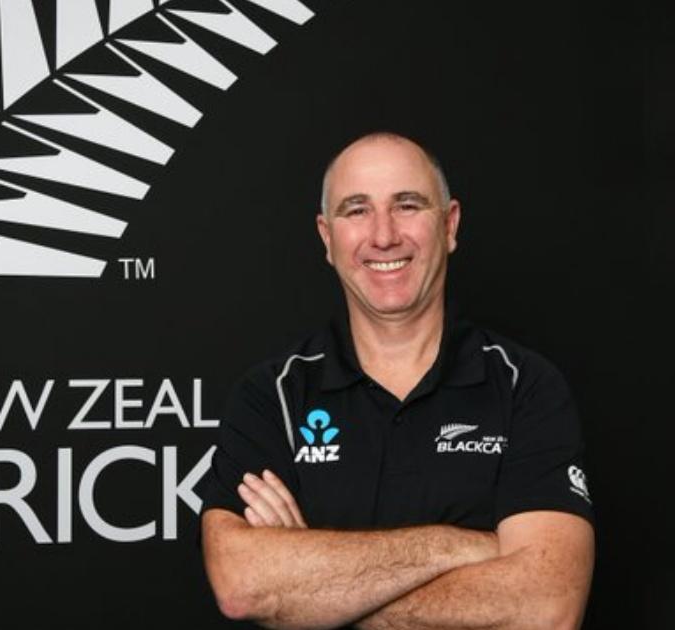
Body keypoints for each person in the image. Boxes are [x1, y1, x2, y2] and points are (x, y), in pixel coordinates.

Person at [196, 132, 595, 629]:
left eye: (407, 205)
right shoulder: (271, 395)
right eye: (356, 210)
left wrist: (312, 588)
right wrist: (460, 547)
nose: (384, 236)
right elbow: (244, 585)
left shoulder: (524, 387)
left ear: (449, 225)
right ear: (327, 238)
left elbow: (545, 610)